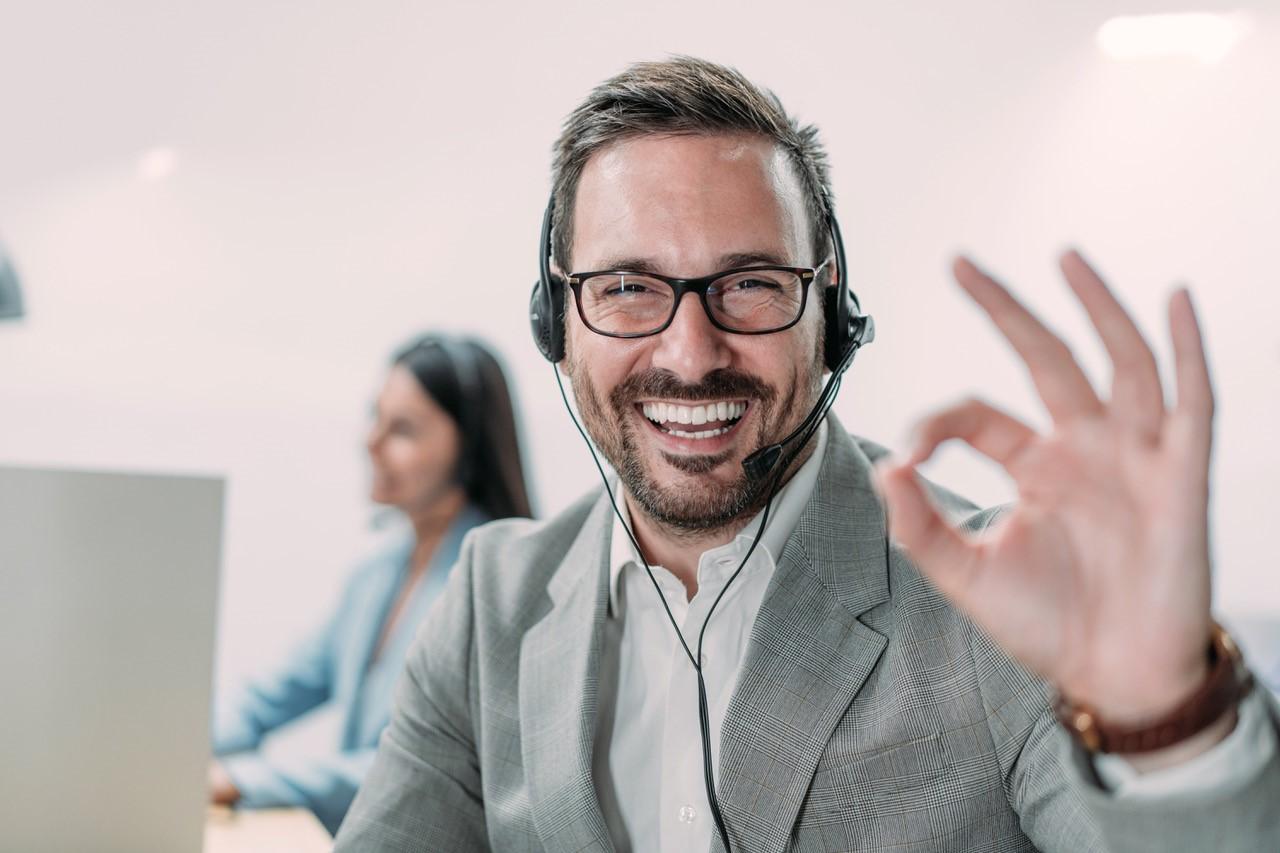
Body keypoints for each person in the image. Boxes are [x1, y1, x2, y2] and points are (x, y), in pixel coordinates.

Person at [336, 58, 1278, 852]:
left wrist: (1170, 723)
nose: (690, 352)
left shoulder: (1000, 598)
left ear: (830, 313)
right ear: (557, 320)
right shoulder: (489, 603)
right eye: (627, 287)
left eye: (748, 283)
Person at [210, 334, 532, 836]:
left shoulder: (502, 586)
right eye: (375, 416)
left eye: (402, 428)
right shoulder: (376, 575)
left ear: (467, 445)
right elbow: (271, 695)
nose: (371, 441)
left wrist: (241, 779)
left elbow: (418, 769)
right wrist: (173, 742)